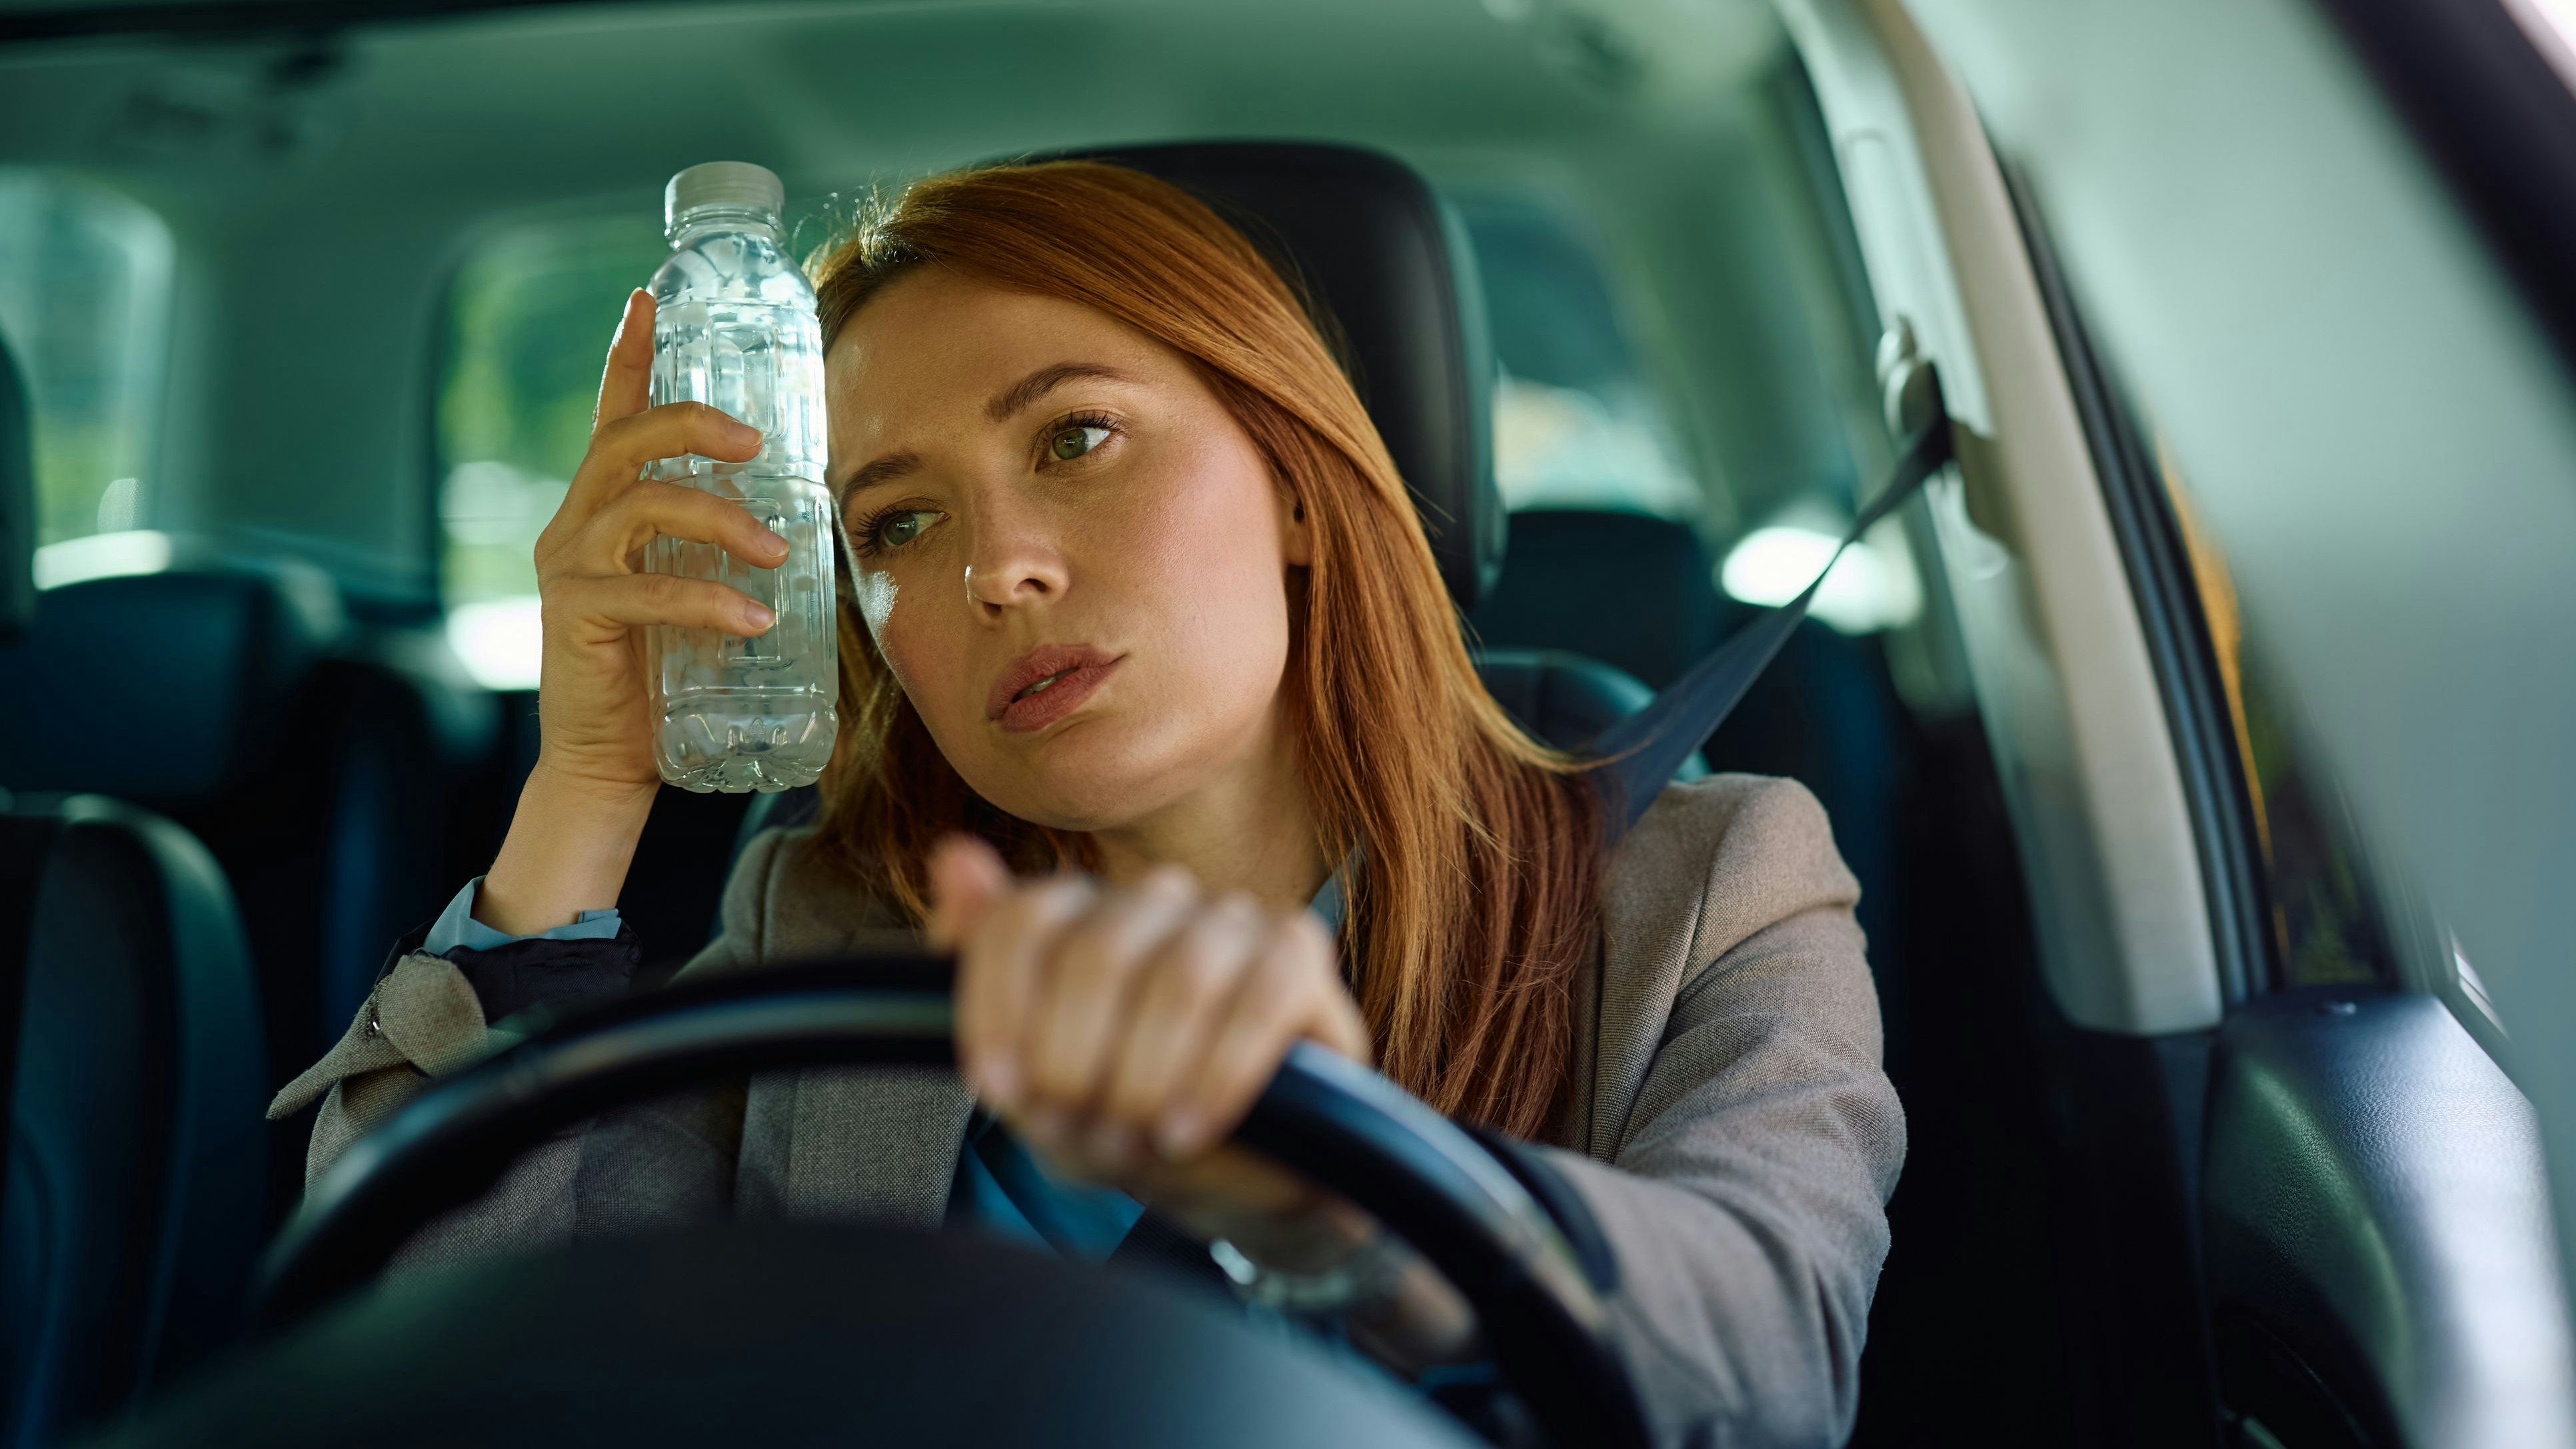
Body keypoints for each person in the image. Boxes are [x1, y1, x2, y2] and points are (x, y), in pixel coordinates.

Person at [270, 161, 1904, 1448]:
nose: (996, 568)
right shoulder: (826, 921)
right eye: (896, 527)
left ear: (1297, 484)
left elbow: (1769, 1361)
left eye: (1077, 436)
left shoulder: (1713, 884)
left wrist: (1345, 1212)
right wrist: (588, 782)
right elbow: (444, 1345)